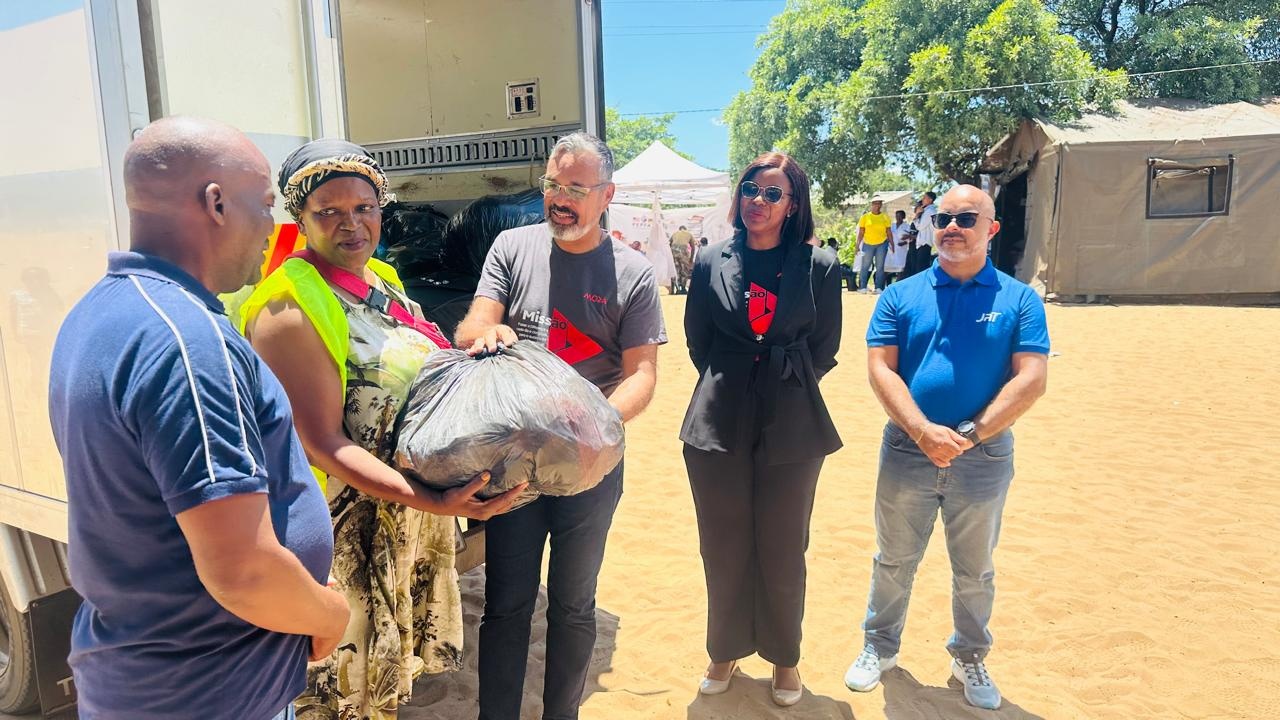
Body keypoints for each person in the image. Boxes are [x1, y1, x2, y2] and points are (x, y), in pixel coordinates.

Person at [47, 117, 350, 720]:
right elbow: (242, 570)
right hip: (209, 695)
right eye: (264, 205)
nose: (274, 226)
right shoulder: (188, 344)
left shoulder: (103, 311)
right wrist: (325, 611)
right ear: (215, 203)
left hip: (151, 681)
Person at [240, 139, 525, 719]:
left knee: (381, 691)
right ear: (302, 218)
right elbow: (321, 442)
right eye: (330, 212)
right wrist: (431, 498)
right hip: (344, 535)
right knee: (341, 693)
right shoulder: (287, 309)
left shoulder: (380, 278)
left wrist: (477, 347)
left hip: (399, 517)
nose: (352, 225)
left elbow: (418, 370)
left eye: (364, 208)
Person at [455, 132, 666, 720]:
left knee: (574, 608)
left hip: (591, 467)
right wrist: (485, 334)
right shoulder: (512, 247)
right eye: (552, 185)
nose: (560, 198)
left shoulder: (634, 272)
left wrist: (591, 428)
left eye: (576, 188)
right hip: (513, 465)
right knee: (506, 605)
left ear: (607, 196)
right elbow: (472, 326)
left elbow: (643, 375)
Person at [843, 185, 1050, 710]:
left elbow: (1031, 378)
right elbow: (880, 369)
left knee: (974, 567)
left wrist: (971, 435)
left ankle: (970, 656)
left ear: (991, 229)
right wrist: (921, 431)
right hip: (908, 449)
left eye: (966, 218)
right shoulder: (900, 295)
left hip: (983, 456)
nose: (952, 227)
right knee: (893, 559)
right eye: (943, 218)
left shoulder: (1019, 298)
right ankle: (879, 646)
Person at [681, 152, 843, 707]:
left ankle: (784, 658)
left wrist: (783, 382)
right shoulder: (708, 261)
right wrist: (737, 381)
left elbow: (825, 348)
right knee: (723, 542)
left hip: (793, 420)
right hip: (718, 418)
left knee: (782, 543)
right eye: (752, 189)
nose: (758, 201)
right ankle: (724, 648)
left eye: (773, 194)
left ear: (793, 204)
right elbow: (698, 341)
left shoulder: (819, 265)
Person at [856, 198, 893, 293]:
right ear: (871, 204)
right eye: (875, 203)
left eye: (879, 203)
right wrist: (857, 245)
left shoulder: (885, 217)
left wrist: (892, 244)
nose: (877, 205)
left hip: (882, 244)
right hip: (868, 244)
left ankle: (878, 287)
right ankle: (862, 287)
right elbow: (861, 232)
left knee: (880, 267)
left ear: (881, 205)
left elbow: (889, 232)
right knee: (865, 266)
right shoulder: (865, 217)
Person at [903, 191, 937, 278]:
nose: (923, 200)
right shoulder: (926, 210)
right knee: (918, 267)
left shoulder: (930, 211)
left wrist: (917, 215)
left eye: (925, 198)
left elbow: (920, 227)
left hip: (925, 242)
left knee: (921, 268)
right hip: (921, 243)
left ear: (930, 200)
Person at [884, 209, 911, 282]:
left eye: (900, 216)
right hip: (891, 249)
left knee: (900, 268)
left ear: (903, 217)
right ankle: (886, 284)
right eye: (897, 215)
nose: (898, 217)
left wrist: (904, 242)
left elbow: (910, 237)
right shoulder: (891, 226)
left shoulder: (907, 226)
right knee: (887, 267)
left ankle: (897, 283)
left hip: (901, 250)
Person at [670, 224, 695, 294]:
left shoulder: (674, 234)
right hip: (683, 251)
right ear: (685, 229)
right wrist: (691, 259)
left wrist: (670, 257)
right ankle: (683, 288)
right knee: (684, 270)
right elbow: (693, 247)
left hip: (674, 250)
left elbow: (669, 244)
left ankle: (674, 289)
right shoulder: (689, 234)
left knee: (675, 271)